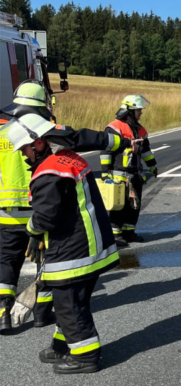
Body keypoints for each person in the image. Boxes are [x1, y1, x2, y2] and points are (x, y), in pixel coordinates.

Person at [0, 81, 134, 335]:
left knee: (7, 261)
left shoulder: (3, 133)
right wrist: (119, 142)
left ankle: (3, 311)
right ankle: (42, 311)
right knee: (52, 262)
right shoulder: (48, 133)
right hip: (41, 212)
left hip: (7, 212)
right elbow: (85, 138)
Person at [1, 113, 120, 374]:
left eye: (24, 149)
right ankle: (62, 344)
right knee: (70, 301)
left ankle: (85, 355)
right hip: (89, 244)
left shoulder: (48, 172)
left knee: (68, 303)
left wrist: (31, 231)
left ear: (39, 143)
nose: (23, 155)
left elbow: (44, 217)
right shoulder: (68, 157)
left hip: (76, 249)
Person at [101, 95, 157, 247]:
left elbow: (146, 151)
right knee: (119, 205)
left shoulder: (140, 130)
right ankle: (115, 234)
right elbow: (106, 151)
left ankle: (129, 232)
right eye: (138, 110)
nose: (141, 113)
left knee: (134, 205)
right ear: (130, 111)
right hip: (119, 174)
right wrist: (105, 171)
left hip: (135, 174)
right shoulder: (114, 127)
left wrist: (152, 165)